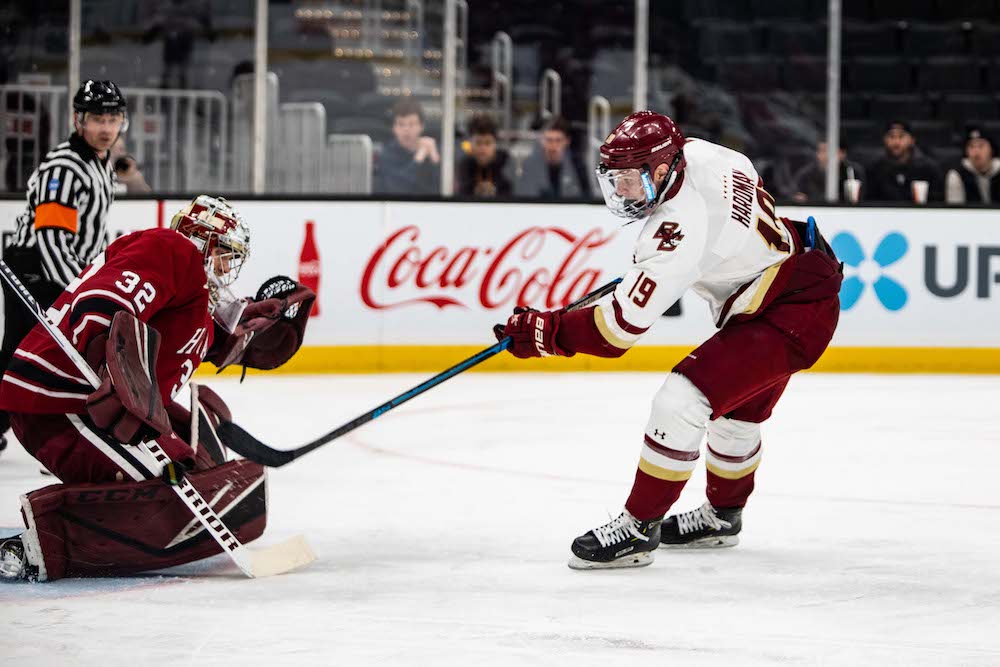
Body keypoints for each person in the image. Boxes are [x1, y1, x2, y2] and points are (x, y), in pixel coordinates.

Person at [493, 111, 843, 569]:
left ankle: (638, 528)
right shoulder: (701, 152)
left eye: (628, 180)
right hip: (796, 274)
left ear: (661, 170)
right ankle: (723, 517)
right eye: (613, 179)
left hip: (790, 311)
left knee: (682, 399)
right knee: (735, 416)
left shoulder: (675, 235)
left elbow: (616, 333)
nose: (621, 191)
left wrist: (545, 333)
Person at [0, 195, 316, 581]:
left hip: (93, 407)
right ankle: (30, 549)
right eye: (225, 255)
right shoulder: (171, 249)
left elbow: (214, 339)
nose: (225, 268)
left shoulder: (196, 303)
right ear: (204, 241)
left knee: (198, 467)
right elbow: (105, 301)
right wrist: (113, 372)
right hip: (66, 401)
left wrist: (257, 323)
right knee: (167, 496)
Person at [0, 79, 126, 458]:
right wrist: (78, 291)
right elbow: (52, 240)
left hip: (56, 270)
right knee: (29, 356)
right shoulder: (65, 167)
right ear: (78, 120)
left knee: (31, 356)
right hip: (33, 269)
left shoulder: (101, 164)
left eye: (113, 118)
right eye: (96, 119)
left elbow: (86, 233)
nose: (105, 127)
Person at [373, 99, 440, 195]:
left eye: (412, 124)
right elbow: (397, 189)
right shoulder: (386, 154)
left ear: (422, 126)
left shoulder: (432, 150)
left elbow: (444, 189)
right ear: (394, 128)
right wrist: (418, 158)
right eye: (401, 124)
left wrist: (435, 160)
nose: (406, 129)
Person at [866, 121, 943, 202]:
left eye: (901, 136)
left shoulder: (928, 169)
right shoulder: (874, 169)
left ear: (912, 140)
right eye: (891, 136)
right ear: (884, 140)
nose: (896, 142)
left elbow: (938, 200)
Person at [515, 116, 583, 199]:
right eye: (549, 140)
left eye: (558, 140)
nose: (553, 146)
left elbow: (586, 195)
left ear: (567, 141)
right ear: (542, 141)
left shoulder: (577, 166)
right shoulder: (530, 165)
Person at [457, 113, 512, 198]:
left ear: (495, 144)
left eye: (488, 143)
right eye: (478, 143)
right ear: (471, 144)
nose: (483, 149)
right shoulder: (464, 165)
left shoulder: (506, 163)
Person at [791, 141, 866, 203]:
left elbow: (863, 199)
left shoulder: (853, 172)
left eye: (827, 151)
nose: (823, 156)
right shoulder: (806, 174)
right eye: (821, 151)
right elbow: (795, 195)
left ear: (842, 154)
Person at [945, 128, 1000, 204]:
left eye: (981, 146)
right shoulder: (957, 173)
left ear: (991, 149)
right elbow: (955, 209)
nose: (976, 151)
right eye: (971, 146)